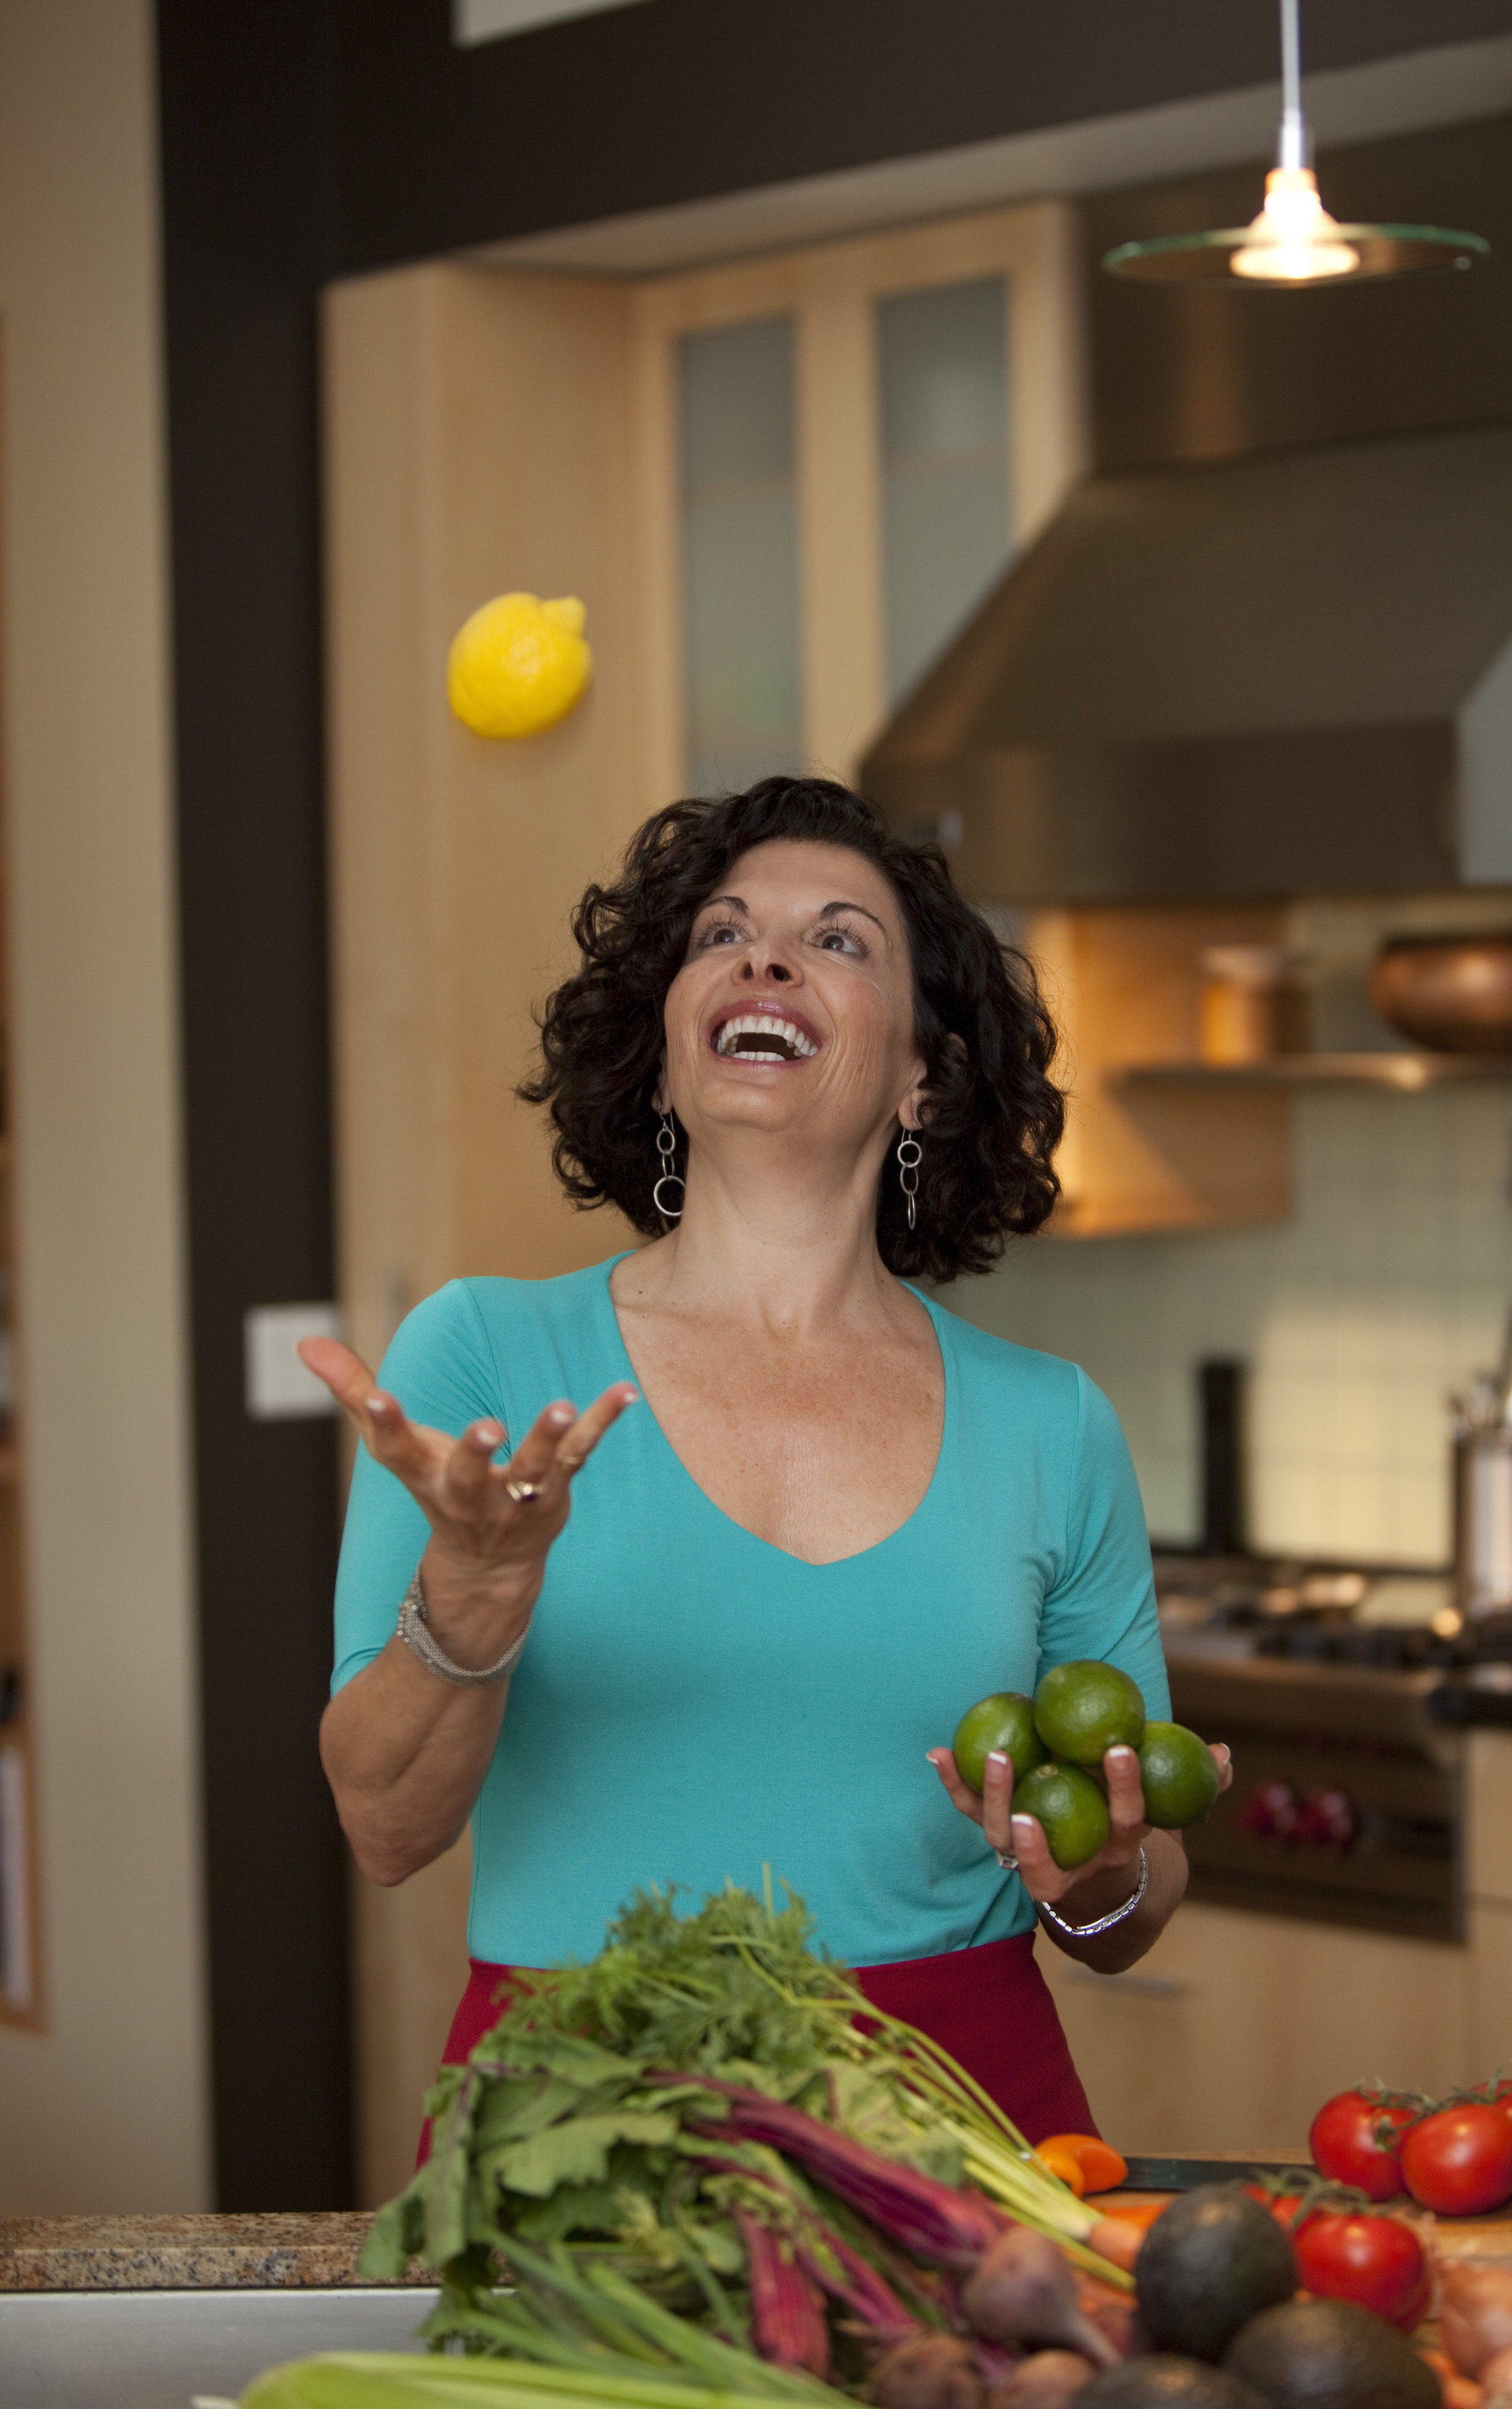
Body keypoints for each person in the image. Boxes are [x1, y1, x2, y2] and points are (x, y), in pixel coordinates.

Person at [302, 776, 1229, 2144]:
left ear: (925, 1072)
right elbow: (384, 1833)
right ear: (666, 1047)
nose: (764, 956)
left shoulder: (1052, 1424)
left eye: (839, 939)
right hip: (583, 2122)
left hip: (960, 2120)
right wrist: (477, 1598)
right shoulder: (488, 1357)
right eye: (720, 935)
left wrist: (1091, 1876)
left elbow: (1118, 1909)